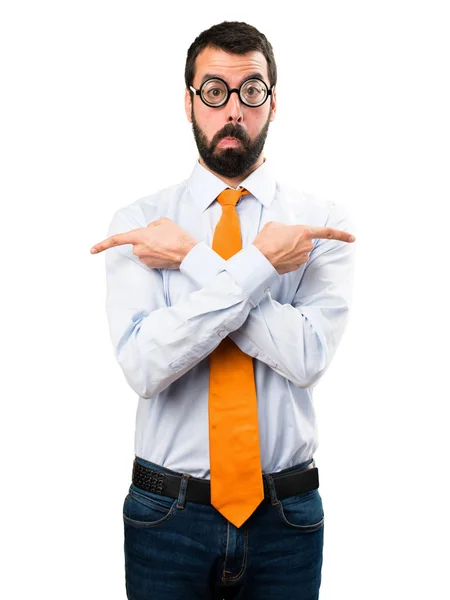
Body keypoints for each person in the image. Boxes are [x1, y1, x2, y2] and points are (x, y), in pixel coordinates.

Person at [90, 20, 355, 600]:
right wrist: (260, 268)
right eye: (214, 92)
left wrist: (191, 260)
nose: (233, 109)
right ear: (189, 102)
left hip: (286, 515)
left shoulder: (320, 225)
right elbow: (145, 366)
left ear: (273, 102)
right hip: (167, 514)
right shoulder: (140, 225)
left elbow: (307, 357)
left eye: (251, 91)